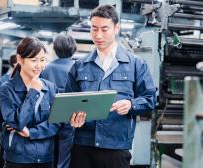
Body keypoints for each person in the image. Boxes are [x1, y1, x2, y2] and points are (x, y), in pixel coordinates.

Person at [65, 5, 157, 168]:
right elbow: (67, 103)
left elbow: (150, 100)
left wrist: (131, 104)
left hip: (116, 147)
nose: (98, 35)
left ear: (116, 28)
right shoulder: (79, 66)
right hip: (83, 146)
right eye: (94, 29)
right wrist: (72, 118)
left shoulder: (136, 65)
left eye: (104, 29)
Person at [0, 37, 86, 168]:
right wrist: (33, 92)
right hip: (18, 159)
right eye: (34, 60)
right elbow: (17, 123)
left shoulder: (50, 88)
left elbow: (56, 123)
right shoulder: (7, 89)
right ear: (20, 60)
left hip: (46, 158)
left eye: (43, 60)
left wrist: (31, 133)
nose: (39, 65)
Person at [41, 34, 76, 168]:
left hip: (48, 120)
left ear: (55, 49)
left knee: (49, 156)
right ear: (73, 48)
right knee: (65, 159)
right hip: (70, 120)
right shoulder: (77, 68)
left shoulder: (46, 69)